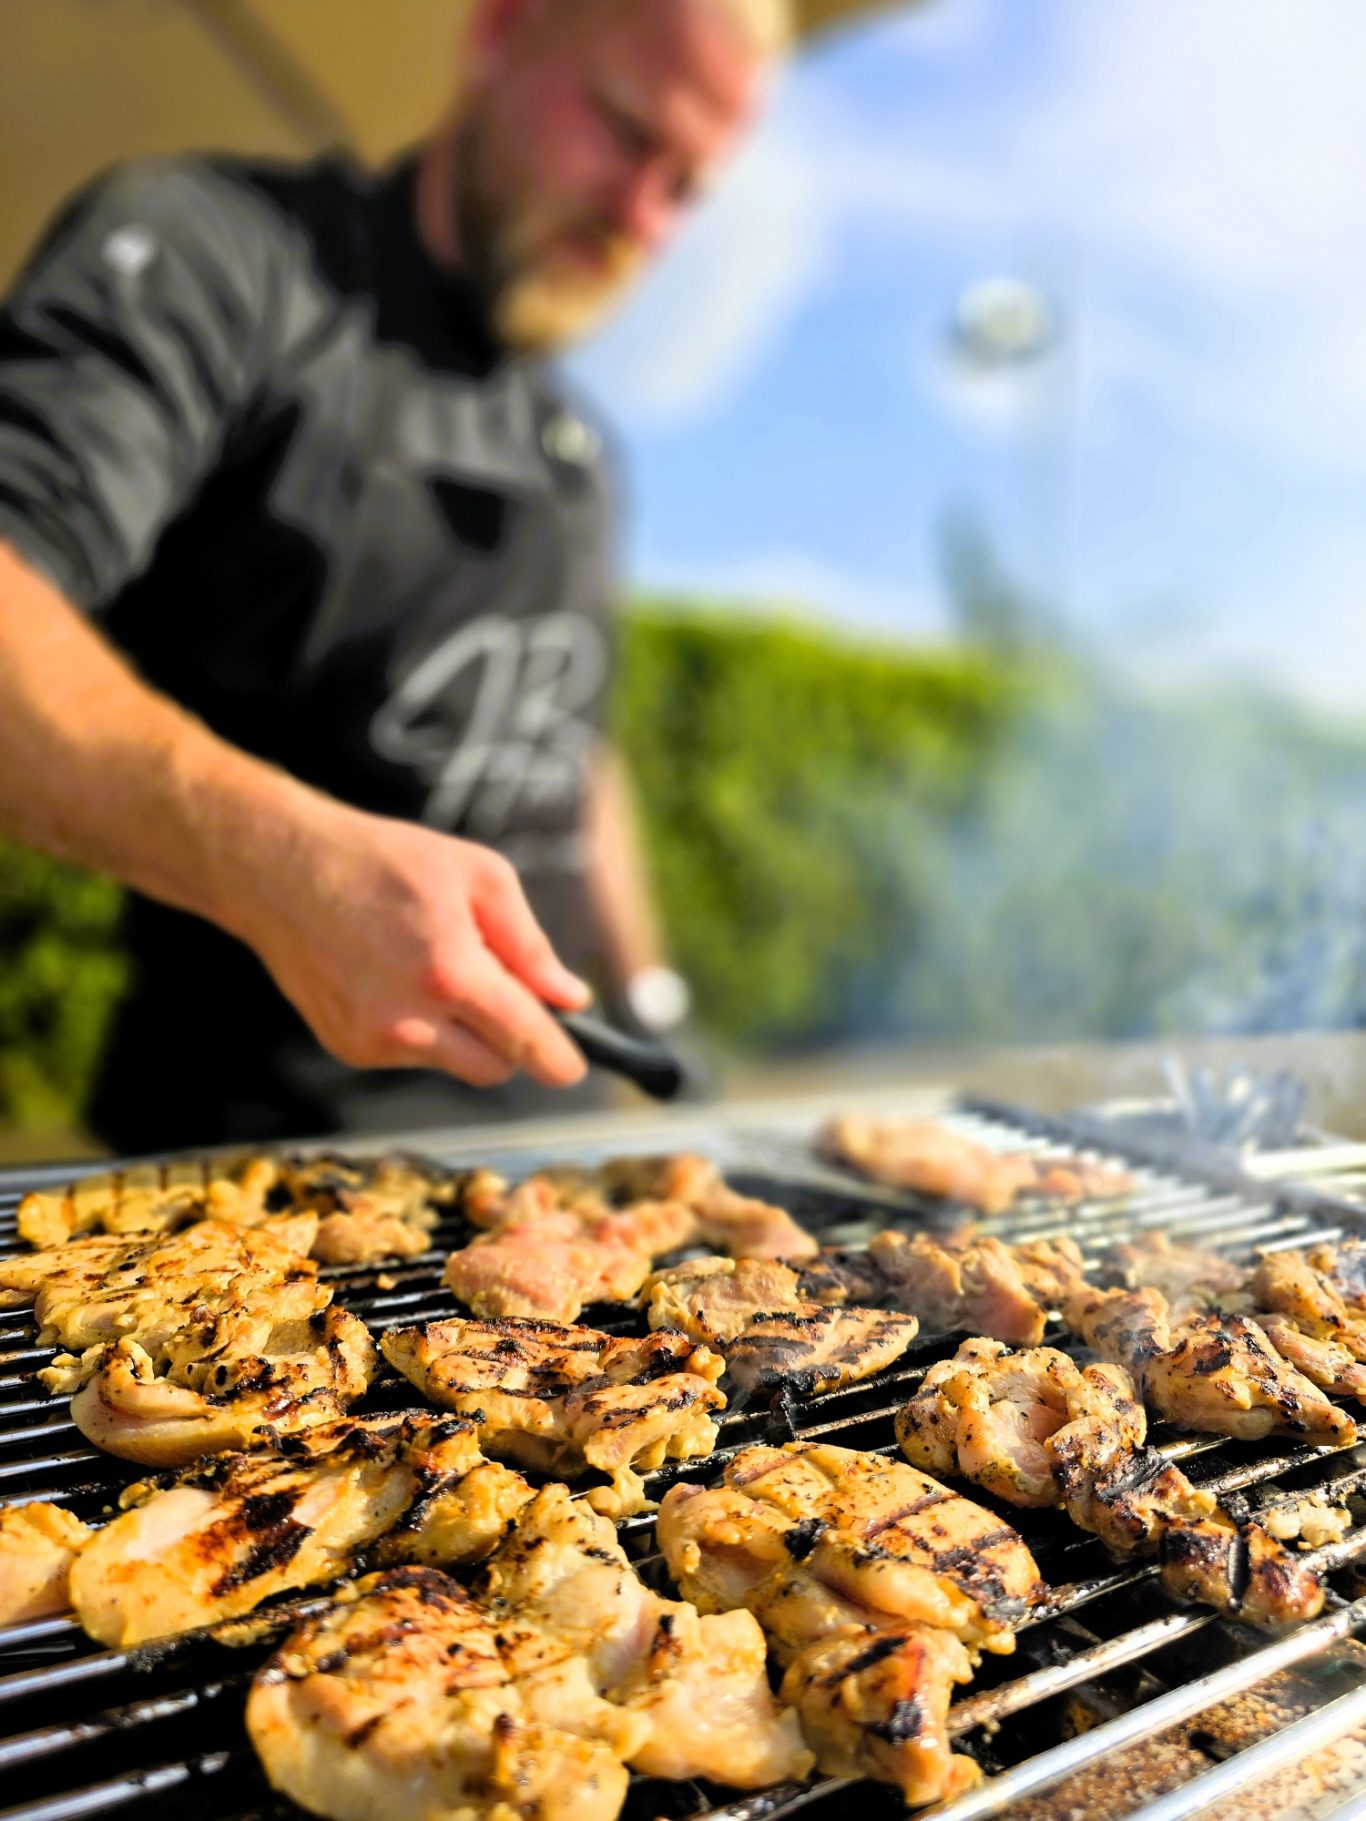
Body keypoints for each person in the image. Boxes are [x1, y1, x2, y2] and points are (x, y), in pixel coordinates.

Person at [0, 0, 789, 1151]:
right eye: (625, 131)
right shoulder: (214, 259)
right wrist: (280, 864)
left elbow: (573, 753)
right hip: (269, 1171)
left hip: (562, 1162)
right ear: (501, 27)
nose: (640, 216)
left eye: (685, 189)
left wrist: (652, 1003)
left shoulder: (579, 454)